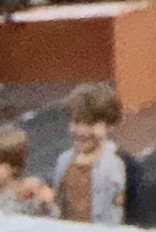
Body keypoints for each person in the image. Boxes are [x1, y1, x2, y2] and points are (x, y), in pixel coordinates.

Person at [52, 82, 127, 224]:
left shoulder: (122, 164)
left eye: (90, 124)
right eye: (76, 122)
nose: (81, 131)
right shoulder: (64, 161)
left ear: (109, 125)